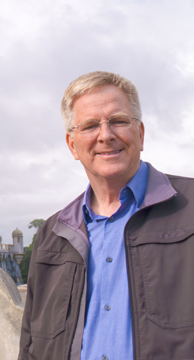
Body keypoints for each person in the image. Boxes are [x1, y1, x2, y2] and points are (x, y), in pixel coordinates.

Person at [19, 71, 194, 360]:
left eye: (118, 121)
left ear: (140, 133)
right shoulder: (52, 235)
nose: (105, 135)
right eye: (89, 126)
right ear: (72, 145)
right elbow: (30, 346)